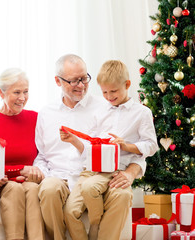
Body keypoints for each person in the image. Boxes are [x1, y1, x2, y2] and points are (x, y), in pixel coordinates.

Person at [33, 54, 138, 240]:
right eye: (74, 81)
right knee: (49, 189)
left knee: (122, 195)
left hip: (97, 176)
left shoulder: (106, 104)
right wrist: (40, 172)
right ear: (58, 81)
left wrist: (131, 172)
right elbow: (41, 155)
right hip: (60, 177)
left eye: (84, 78)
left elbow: (130, 145)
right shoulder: (46, 113)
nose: (81, 85)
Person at [59, 60, 158, 240]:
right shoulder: (99, 111)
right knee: (70, 211)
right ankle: (94, 226)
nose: (109, 96)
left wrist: (126, 146)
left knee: (120, 197)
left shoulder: (141, 113)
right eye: (104, 92)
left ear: (127, 85)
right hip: (92, 171)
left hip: (117, 171)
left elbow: (151, 145)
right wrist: (74, 141)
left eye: (114, 91)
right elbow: (88, 148)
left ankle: (99, 231)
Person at [0, 68, 45, 240]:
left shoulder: (35, 119)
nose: (22, 98)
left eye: (26, 92)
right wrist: (17, 170)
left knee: (32, 190)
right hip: (4, 183)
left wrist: (36, 172)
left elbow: (46, 155)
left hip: (30, 181)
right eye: (16, 92)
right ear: (1, 93)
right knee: (15, 189)